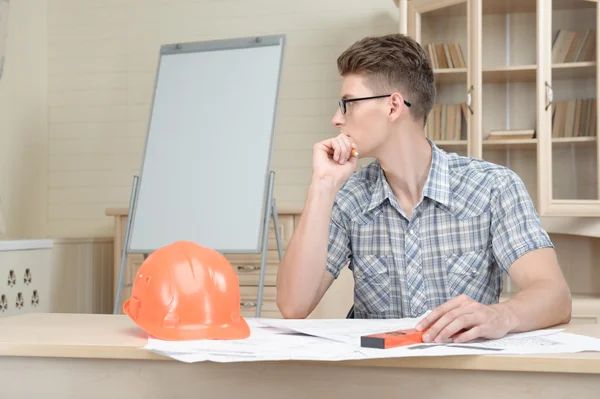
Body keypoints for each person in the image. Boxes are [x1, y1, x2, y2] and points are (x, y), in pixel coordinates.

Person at [275, 33, 572, 344]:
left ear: (392, 107)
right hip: (375, 379)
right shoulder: (349, 197)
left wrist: (501, 315)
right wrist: (322, 185)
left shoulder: (493, 187)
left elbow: (555, 295)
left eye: (347, 104)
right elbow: (293, 306)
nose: (336, 119)